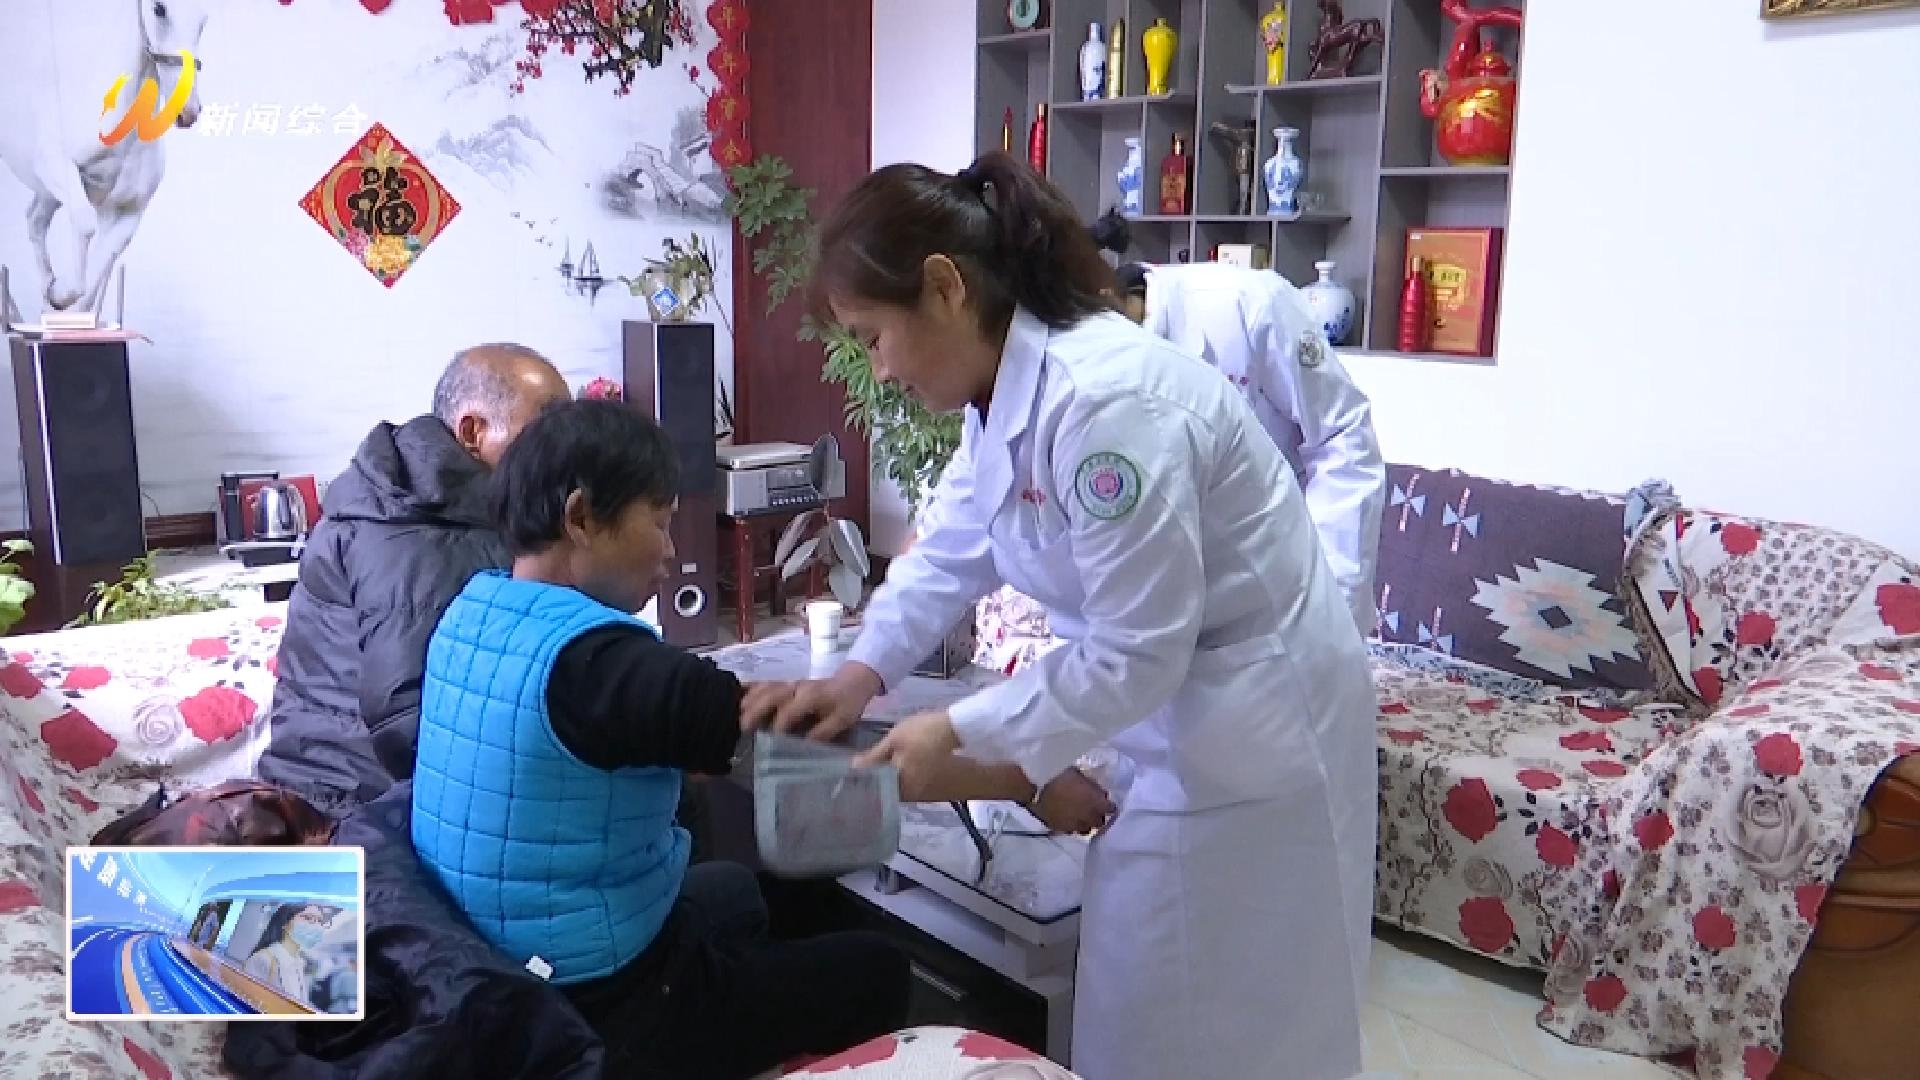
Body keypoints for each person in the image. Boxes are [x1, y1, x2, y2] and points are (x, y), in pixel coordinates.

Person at [745, 152, 1378, 1080]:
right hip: (1178, 717)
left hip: (1259, 729)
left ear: (945, 287)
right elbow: (951, 546)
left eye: (874, 338)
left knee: (1244, 1020)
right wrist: (857, 673)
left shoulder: (1110, 404)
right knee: (1141, 1003)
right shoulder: (1002, 397)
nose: (877, 370)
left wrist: (957, 733)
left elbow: (1134, 652)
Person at [409, 399, 911, 1079]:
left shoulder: (470, 610)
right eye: (660, 522)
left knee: (734, 887)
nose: (672, 552)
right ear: (581, 517)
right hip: (602, 1006)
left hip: (488, 966)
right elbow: (813, 748)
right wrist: (993, 762)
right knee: (879, 966)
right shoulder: (610, 665)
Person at [257, 344, 572, 817]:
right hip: (346, 801)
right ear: (473, 432)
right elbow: (412, 722)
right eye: (547, 427)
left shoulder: (456, 508)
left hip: (383, 787)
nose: (566, 448)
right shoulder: (407, 526)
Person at [1106, 234, 1386, 635]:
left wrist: (1335, 607)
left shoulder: (1245, 304)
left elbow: (1341, 438)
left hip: (1286, 577)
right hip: (1174, 598)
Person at [242, 902, 333, 1006]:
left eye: (320, 921)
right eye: (308, 918)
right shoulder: (263, 959)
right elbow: (247, 1002)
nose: (316, 926)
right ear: (285, 922)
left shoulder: (299, 963)